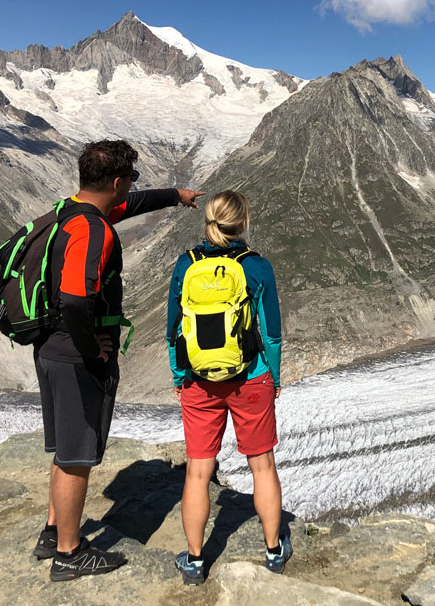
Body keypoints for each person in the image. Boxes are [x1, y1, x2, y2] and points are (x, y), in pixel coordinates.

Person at [31, 139, 204, 582]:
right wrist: (93, 350)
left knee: (65, 450)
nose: (130, 188)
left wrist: (176, 195)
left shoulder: (69, 212)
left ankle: (53, 532)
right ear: (116, 182)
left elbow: (133, 205)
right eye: (129, 180)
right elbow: (75, 298)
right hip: (76, 356)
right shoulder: (93, 231)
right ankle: (69, 554)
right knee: (77, 456)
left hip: (51, 348)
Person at [167, 190, 288, 586]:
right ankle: (273, 550)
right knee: (262, 465)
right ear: (242, 222)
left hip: (199, 381)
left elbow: (173, 330)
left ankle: (195, 560)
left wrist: (180, 376)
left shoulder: (186, 264)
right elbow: (272, 334)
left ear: (209, 220)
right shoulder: (257, 266)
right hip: (250, 378)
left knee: (198, 472)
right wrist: (274, 377)